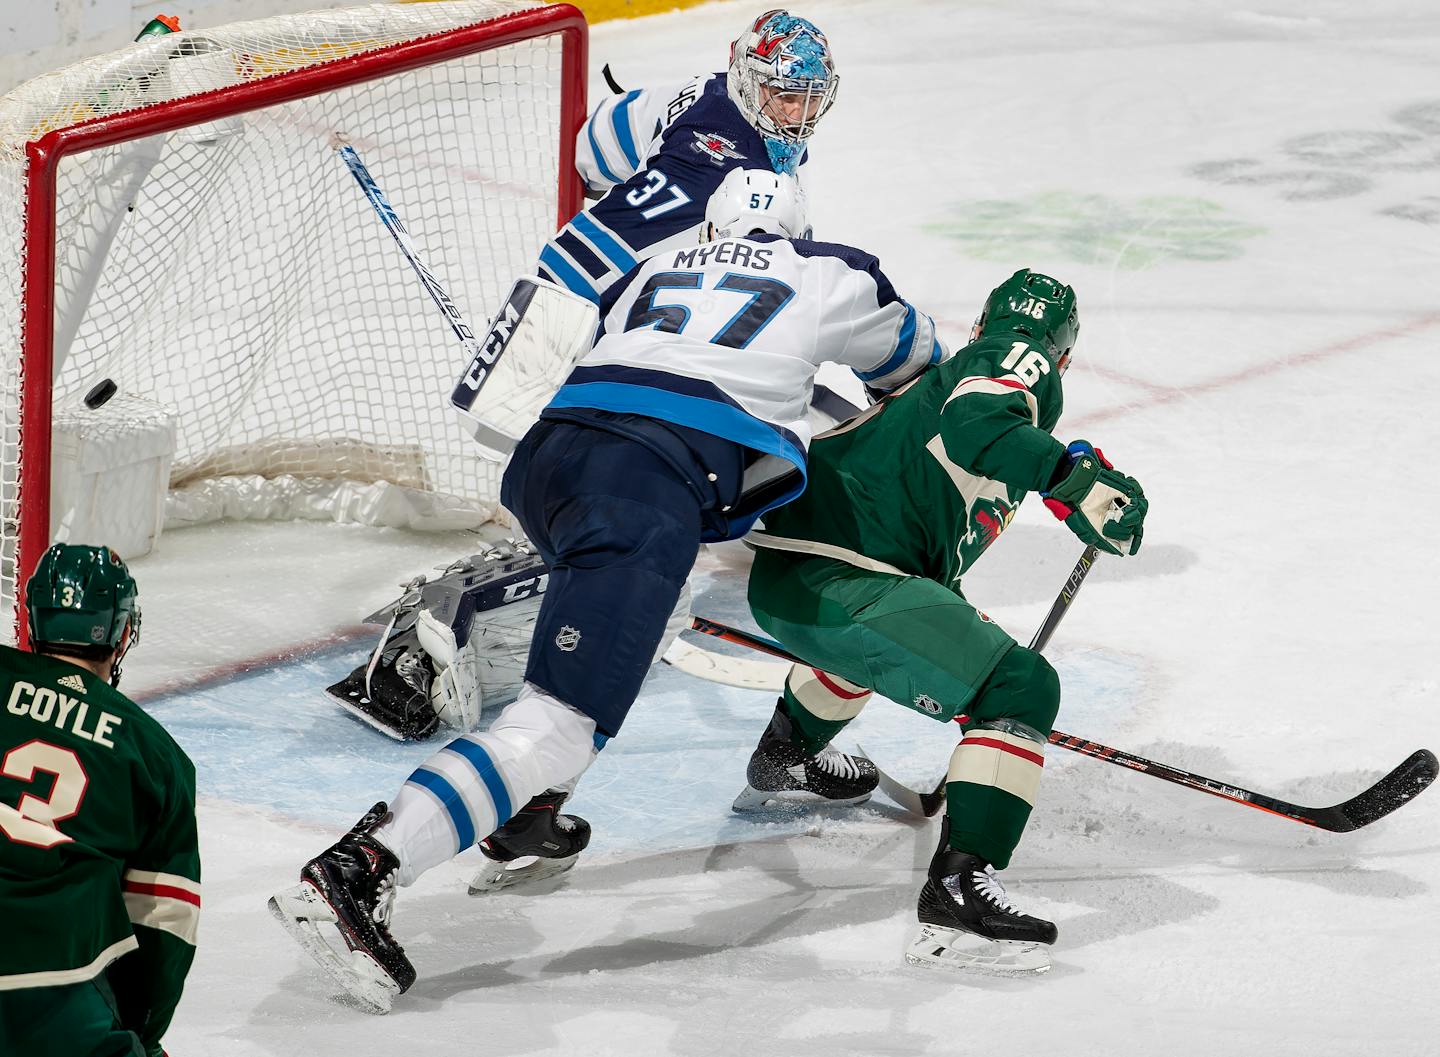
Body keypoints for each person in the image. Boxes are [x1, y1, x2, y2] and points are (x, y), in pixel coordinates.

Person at [270, 166, 948, 1012]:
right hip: (647, 487)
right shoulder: (830, 270)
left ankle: (527, 819)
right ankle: (359, 871)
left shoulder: (652, 273)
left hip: (552, 462)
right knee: (555, 723)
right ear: (797, 230)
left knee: (617, 637)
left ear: (711, 227)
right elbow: (922, 369)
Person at [736, 270, 1148, 975]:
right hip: (838, 582)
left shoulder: (963, 386)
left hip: (800, 584)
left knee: (918, 625)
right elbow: (978, 423)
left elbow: (972, 445)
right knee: (1019, 686)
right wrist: (1070, 477)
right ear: (1062, 356)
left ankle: (787, 754)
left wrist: (1067, 479)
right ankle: (958, 894)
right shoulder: (1015, 363)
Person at [0, 544, 200, 1056]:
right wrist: (141, 1038)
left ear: (32, 618)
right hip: (49, 981)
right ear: (122, 632)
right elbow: (162, 924)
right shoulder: (154, 753)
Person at [537, 8, 838, 303]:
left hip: (600, 138)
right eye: (785, 96)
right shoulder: (706, 164)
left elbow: (613, 128)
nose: (796, 115)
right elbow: (570, 262)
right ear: (749, 81)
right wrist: (545, 308)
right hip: (585, 177)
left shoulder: (719, 90)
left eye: (810, 98)